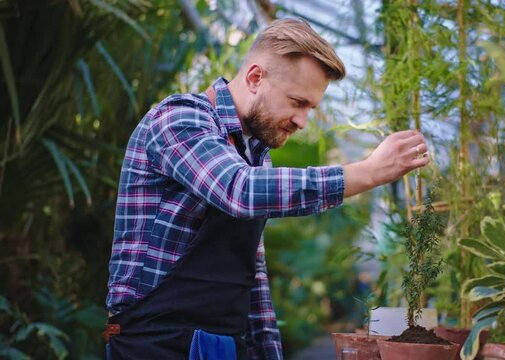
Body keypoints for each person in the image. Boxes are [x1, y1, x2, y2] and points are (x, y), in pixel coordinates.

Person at [105, 18, 429, 359]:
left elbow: (252, 276)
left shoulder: (255, 157)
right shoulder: (178, 120)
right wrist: (369, 172)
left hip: (222, 344)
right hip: (154, 343)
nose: (303, 121)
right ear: (255, 77)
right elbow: (238, 190)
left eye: (311, 109)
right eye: (297, 102)